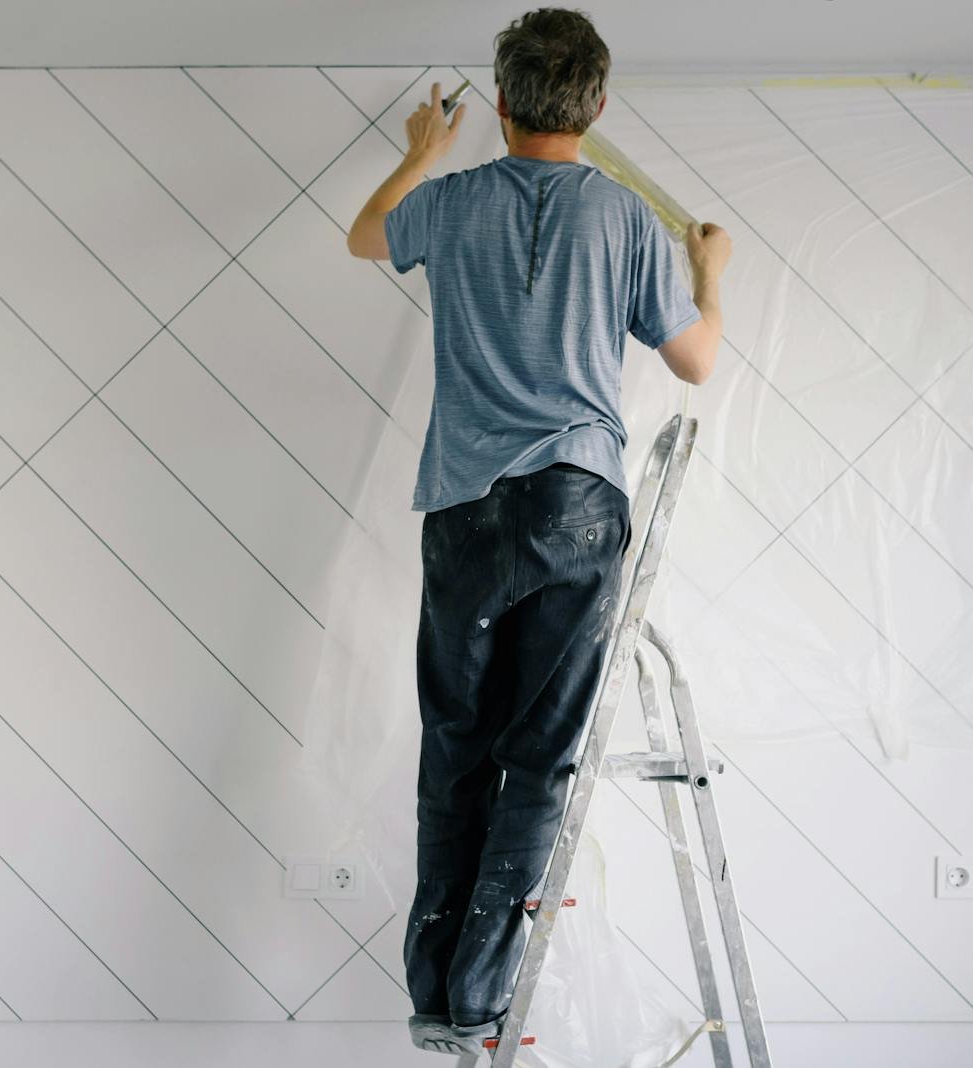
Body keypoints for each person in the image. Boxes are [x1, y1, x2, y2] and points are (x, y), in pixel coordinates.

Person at [345, 7, 731, 1056]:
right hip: (574, 502)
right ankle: (485, 998)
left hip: (466, 509)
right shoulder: (621, 219)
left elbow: (365, 236)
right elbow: (695, 361)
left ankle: (440, 1004)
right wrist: (711, 275)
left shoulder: (452, 201)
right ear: (596, 106)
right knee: (539, 759)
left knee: (456, 749)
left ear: (503, 102)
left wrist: (419, 155)